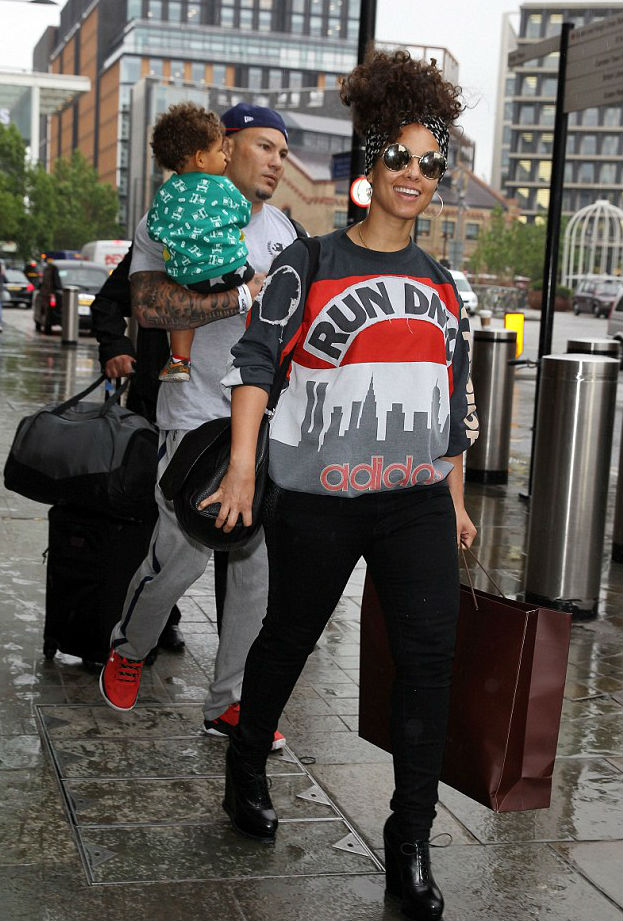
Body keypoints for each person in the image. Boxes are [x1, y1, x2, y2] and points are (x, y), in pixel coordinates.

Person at [202, 50, 479, 921]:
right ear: (368, 163)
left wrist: (457, 496)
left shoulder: (445, 284)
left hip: (412, 500)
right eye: (398, 157)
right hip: (317, 494)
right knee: (287, 636)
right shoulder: (310, 263)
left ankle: (409, 837)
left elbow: (451, 400)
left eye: (430, 162)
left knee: (429, 659)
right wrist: (243, 464)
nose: (414, 175)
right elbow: (254, 361)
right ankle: (246, 758)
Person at [99, 103, 301, 755]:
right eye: (265, 147)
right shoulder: (168, 214)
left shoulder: (286, 234)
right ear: (222, 147)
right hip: (194, 420)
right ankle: (130, 646)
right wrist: (242, 295)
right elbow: (153, 306)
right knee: (181, 554)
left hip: (265, 423)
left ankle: (230, 704)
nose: (278, 161)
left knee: (255, 566)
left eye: (283, 151)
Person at [90, 245, 185, 655]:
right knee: (157, 522)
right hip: (154, 402)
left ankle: (236, 656)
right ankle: (158, 621)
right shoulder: (162, 234)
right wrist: (115, 347)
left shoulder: (269, 232)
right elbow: (107, 303)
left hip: (233, 406)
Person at [147, 103, 254, 383]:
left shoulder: (165, 193)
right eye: (220, 151)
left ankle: (179, 361)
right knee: (260, 284)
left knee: (182, 317)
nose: (226, 159)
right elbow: (243, 214)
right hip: (232, 271)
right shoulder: (222, 186)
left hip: (187, 278)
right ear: (201, 159)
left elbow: (154, 229)